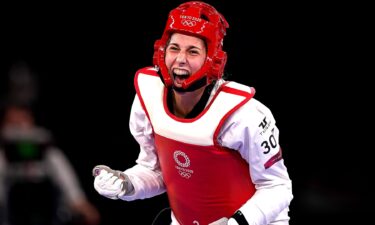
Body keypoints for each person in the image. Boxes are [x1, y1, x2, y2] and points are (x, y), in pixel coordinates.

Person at [93, 1, 293, 225]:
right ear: (162, 51)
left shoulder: (243, 114)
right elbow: (158, 172)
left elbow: (277, 187)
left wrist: (236, 223)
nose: (180, 59)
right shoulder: (147, 98)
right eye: (174, 48)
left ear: (213, 60)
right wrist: (127, 183)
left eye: (193, 51)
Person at [0, 103, 100, 225]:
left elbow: (66, 178)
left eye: (22, 120)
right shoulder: (3, 153)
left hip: (47, 212)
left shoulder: (47, 151)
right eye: (13, 122)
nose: (19, 127)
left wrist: (78, 201)